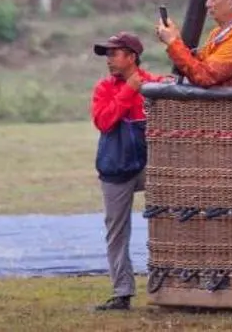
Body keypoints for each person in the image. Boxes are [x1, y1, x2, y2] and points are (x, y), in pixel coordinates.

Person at [90, 29, 156, 314]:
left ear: (132, 57)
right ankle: (122, 293)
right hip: (117, 167)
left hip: (150, 165)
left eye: (113, 53)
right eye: (107, 54)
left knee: (169, 220)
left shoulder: (155, 85)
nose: (108, 59)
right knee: (116, 231)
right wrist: (130, 91)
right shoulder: (104, 88)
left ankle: (170, 284)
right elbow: (104, 122)